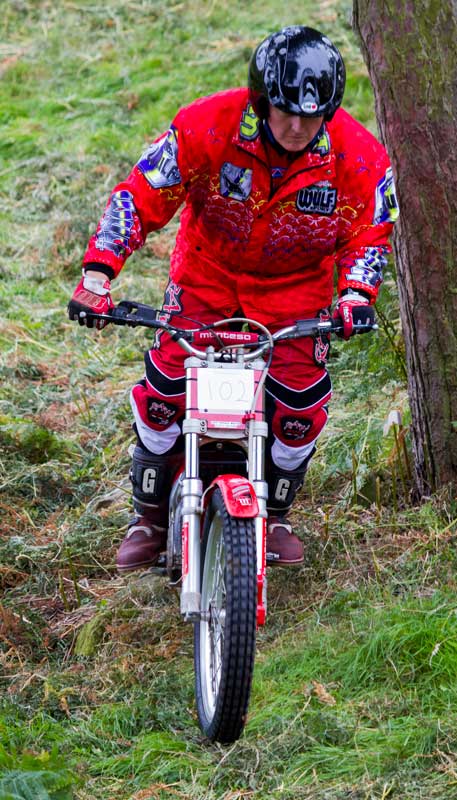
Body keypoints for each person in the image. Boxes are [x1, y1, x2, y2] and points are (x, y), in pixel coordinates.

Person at [68, 25, 399, 572]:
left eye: (312, 117)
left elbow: (369, 234)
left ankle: (277, 514)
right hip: (207, 276)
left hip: (297, 293)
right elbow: (141, 193)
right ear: (261, 99)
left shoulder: (360, 158)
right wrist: (98, 276)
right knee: (163, 392)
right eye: (285, 112)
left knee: (301, 408)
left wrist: (356, 296)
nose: (297, 128)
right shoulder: (207, 125)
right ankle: (148, 518)